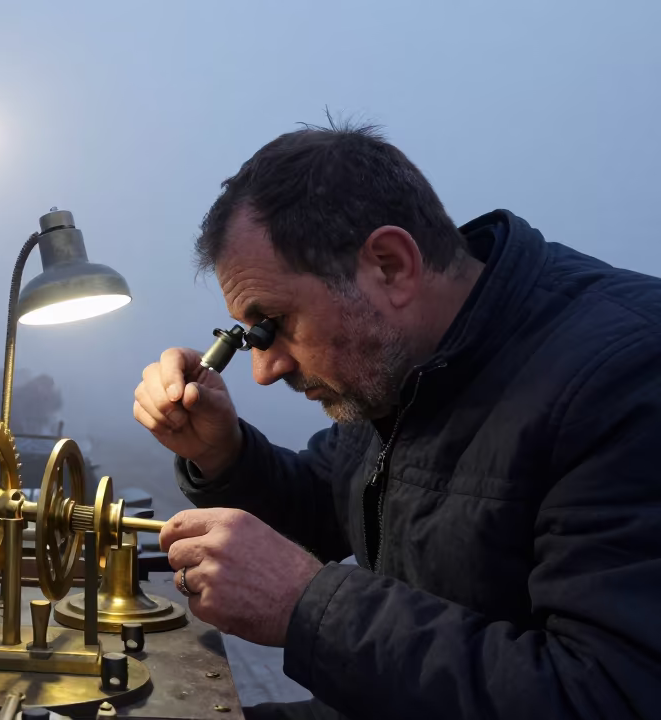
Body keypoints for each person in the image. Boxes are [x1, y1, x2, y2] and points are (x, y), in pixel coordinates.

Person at [134, 120, 661, 719]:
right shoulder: (399, 366)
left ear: (389, 265)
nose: (263, 370)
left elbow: (609, 696)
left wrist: (308, 607)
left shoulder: (628, 376)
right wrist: (223, 453)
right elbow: (326, 506)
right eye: (250, 336)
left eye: (273, 323)